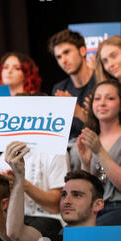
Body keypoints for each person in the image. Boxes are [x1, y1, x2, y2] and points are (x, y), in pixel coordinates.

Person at [6, 142, 104, 241]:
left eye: (77, 195)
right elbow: (16, 233)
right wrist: (19, 177)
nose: (66, 200)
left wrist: (86, 165)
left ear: (97, 204)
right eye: (63, 194)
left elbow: (87, 188)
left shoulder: (113, 238)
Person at [48, 29, 96, 171]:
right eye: (58, 57)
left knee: (76, 152)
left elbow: (104, 127)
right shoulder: (59, 88)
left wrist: (78, 111)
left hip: (92, 142)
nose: (63, 60)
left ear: (82, 51)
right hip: (66, 144)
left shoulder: (100, 81)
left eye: (67, 52)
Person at [77, 80, 121, 226]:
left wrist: (100, 152)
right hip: (93, 209)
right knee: (64, 235)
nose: (102, 103)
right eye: (97, 98)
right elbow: (87, 190)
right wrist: (85, 163)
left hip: (117, 208)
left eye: (110, 98)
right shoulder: (91, 138)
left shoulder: (96, 143)